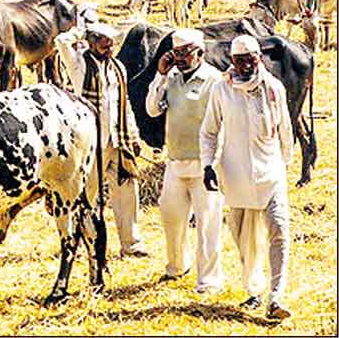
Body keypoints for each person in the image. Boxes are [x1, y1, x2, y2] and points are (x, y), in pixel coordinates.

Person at [200, 35, 294, 320]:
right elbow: (209, 132)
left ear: (259, 58)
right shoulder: (221, 89)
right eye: (239, 60)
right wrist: (207, 165)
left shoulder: (274, 88)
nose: (244, 65)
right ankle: (254, 290)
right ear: (232, 61)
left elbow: (285, 132)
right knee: (243, 239)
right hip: (236, 175)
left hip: (271, 173)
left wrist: (284, 166)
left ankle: (276, 298)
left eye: (250, 59)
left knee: (279, 232)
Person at [54, 22, 147, 258]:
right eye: (104, 43)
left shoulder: (118, 68)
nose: (109, 47)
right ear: (92, 42)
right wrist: (80, 30)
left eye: (111, 43)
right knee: (88, 194)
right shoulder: (79, 65)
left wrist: (133, 135)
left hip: (118, 138)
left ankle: (131, 243)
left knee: (127, 191)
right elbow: (61, 42)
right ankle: (81, 243)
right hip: (91, 142)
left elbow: (123, 104)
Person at [146, 29, 224, 293]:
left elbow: (223, 123)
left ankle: (209, 281)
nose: (180, 58)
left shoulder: (214, 80)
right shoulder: (172, 78)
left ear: (200, 53)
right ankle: (177, 266)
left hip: (205, 165)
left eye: (185, 53)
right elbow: (152, 109)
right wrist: (160, 74)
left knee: (207, 224)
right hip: (176, 161)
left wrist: (215, 164)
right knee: (171, 216)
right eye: (176, 53)